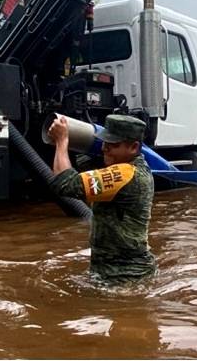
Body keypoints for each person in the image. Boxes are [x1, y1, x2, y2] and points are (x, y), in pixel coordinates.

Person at [47, 114, 156, 282]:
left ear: (134, 147)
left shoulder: (127, 174)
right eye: (105, 142)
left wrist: (62, 142)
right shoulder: (135, 169)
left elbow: (65, 184)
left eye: (114, 144)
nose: (105, 148)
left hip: (125, 276)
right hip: (112, 271)